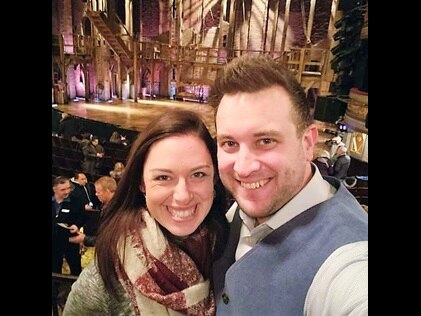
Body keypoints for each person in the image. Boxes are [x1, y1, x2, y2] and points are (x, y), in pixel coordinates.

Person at [208, 55, 368, 315]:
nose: (243, 168)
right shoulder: (239, 211)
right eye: (230, 144)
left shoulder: (348, 262)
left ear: (307, 144)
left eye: (266, 141)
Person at [63, 109, 229, 315]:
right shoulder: (105, 280)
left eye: (198, 174)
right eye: (163, 177)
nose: (183, 196)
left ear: (214, 179)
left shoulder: (232, 249)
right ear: (141, 183)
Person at [69, 176, 117, 247]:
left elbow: (111, 240)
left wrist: (85, 239)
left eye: (98, 192)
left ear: (107, 191)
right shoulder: (105, 205)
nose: (96, 194)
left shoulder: (116, 210)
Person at [52, 176, 86, 276]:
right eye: (63, 189)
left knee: (75, 268)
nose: (67, 191)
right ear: (55, 189)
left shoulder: (77, 200)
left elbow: (83, 217)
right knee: (55, 268)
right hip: (54, 242)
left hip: (71, 240)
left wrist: (77, 225)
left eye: (68, 188)